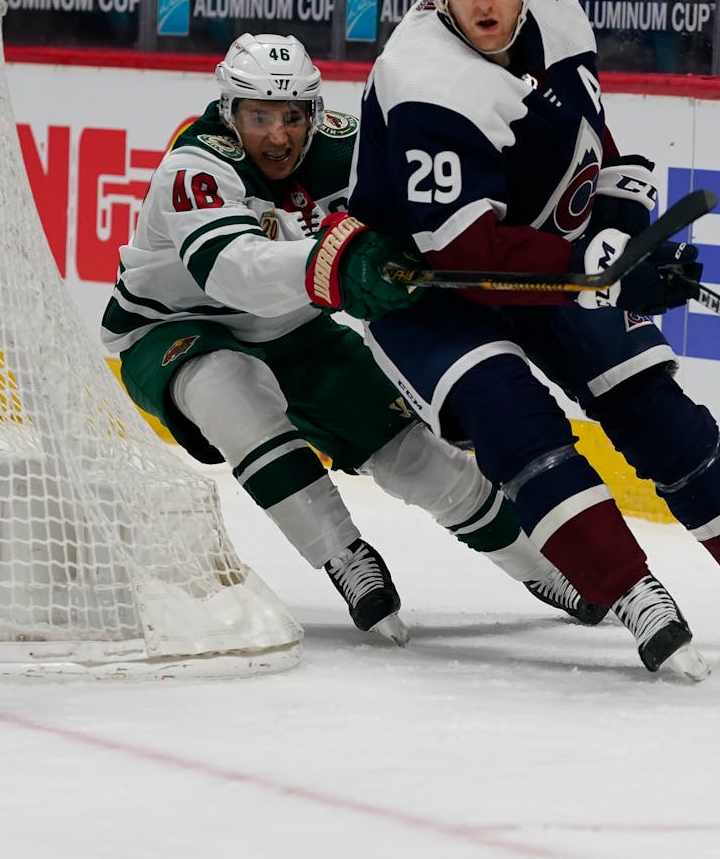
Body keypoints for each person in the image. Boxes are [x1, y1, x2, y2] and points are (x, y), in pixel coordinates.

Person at [342, 0, 720, 678]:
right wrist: (597, 272)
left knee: (653, 405)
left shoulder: (560, 11)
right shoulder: (422, 80)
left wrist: (620, 237)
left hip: (541, 253)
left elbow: (595, 146)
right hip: (426, 288)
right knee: (516, 425)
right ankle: (632, 592)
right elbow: (469, 246)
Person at [101, 32, 605, 645]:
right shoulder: (197, 165)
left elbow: (428, 209)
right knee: (232, 389)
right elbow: (234, 271)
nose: (279, 136)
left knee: (418, 459)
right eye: (259, 116)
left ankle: (545, 569)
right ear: (230, 113)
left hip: (293, 327)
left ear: (315, 111)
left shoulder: (349, 144)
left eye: (293, 116)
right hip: (171, 329)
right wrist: (337, 265)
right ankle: (342, 554)